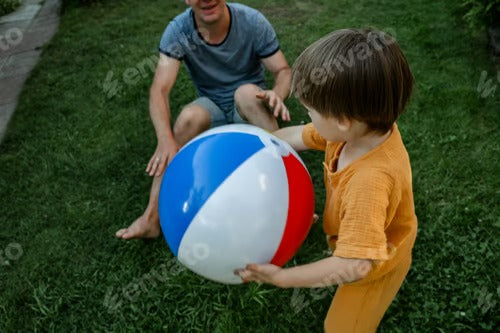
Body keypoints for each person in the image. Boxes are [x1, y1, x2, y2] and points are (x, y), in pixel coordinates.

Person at [236, 28, 417, 332]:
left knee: (340, 328)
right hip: (357, 238)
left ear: (343, 120)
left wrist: (282, 278)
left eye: (310, 111)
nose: (307, 117)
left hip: (374, 265)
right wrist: (251, 148)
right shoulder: (358, 129)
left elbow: (354, 265)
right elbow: (292, 137)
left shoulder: (369, 182)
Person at [116, 0, 292, 239]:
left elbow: (283, 71)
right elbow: (160, 89)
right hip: (214, 107)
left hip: (249, 106)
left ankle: (291, 199)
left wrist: (277, 95)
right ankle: (151, 219)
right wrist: (165, 139)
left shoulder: (251, 21)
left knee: (247, 94)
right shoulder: (179, 30)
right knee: (188, 117)